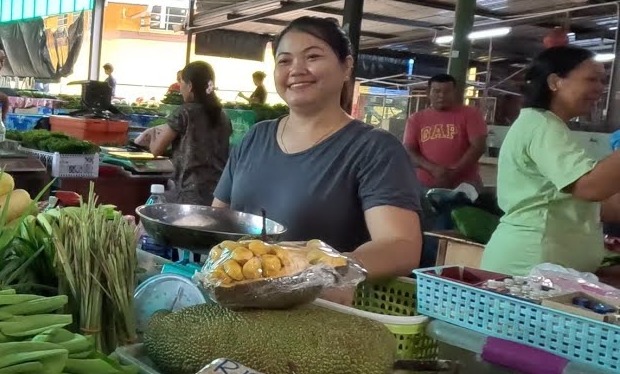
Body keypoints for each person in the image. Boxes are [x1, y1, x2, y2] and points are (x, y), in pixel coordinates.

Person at [213, 17, 422, 282]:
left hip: (323, 312)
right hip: (236, 306)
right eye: (284, 61)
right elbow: (220, 217)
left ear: (346, 67)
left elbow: (400, 246)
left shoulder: (374, 149)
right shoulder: (256, 136)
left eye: (312, 57)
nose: (296, 69)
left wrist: (325, 271)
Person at [482, 47, 620, 277]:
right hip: (528, 269)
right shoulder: (541, 126)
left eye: (602, 80)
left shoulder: (551, 127)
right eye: (591, 80)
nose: (599, 89)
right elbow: (589, 187)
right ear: (555, 82)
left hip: (548, 271)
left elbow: (600, 205)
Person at [146, 62, 231, 205]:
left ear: (190, 85)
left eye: (181, 83)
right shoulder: (223, 116)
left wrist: (152, 134)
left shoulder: (184, 113)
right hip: (219, 195)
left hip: (190, 194)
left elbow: (156, 149)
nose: (180, 89)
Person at [403, 74, 488, 189]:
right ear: (429, 92)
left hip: (465, 184)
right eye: (437, 91)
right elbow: (409, 150)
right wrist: (433, 169)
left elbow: (478, 147)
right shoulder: (416, 119)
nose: (442, 95)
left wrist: (453, 173)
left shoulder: (472, 114)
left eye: (447, 92)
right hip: (424, 184)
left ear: (454, 92)